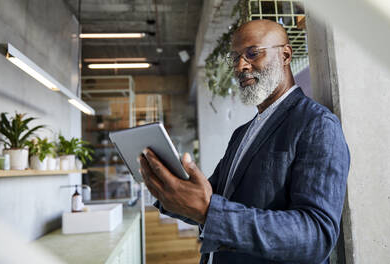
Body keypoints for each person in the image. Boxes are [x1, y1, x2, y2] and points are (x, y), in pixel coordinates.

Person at [139, 19, 350, 264]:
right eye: (235, 57)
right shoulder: (242, 133)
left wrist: (209, 212)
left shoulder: (317, 124)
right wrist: (168, 188)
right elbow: (212, 198)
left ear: (285, 55)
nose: (240, 66)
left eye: (253, 53)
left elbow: (316, 236)